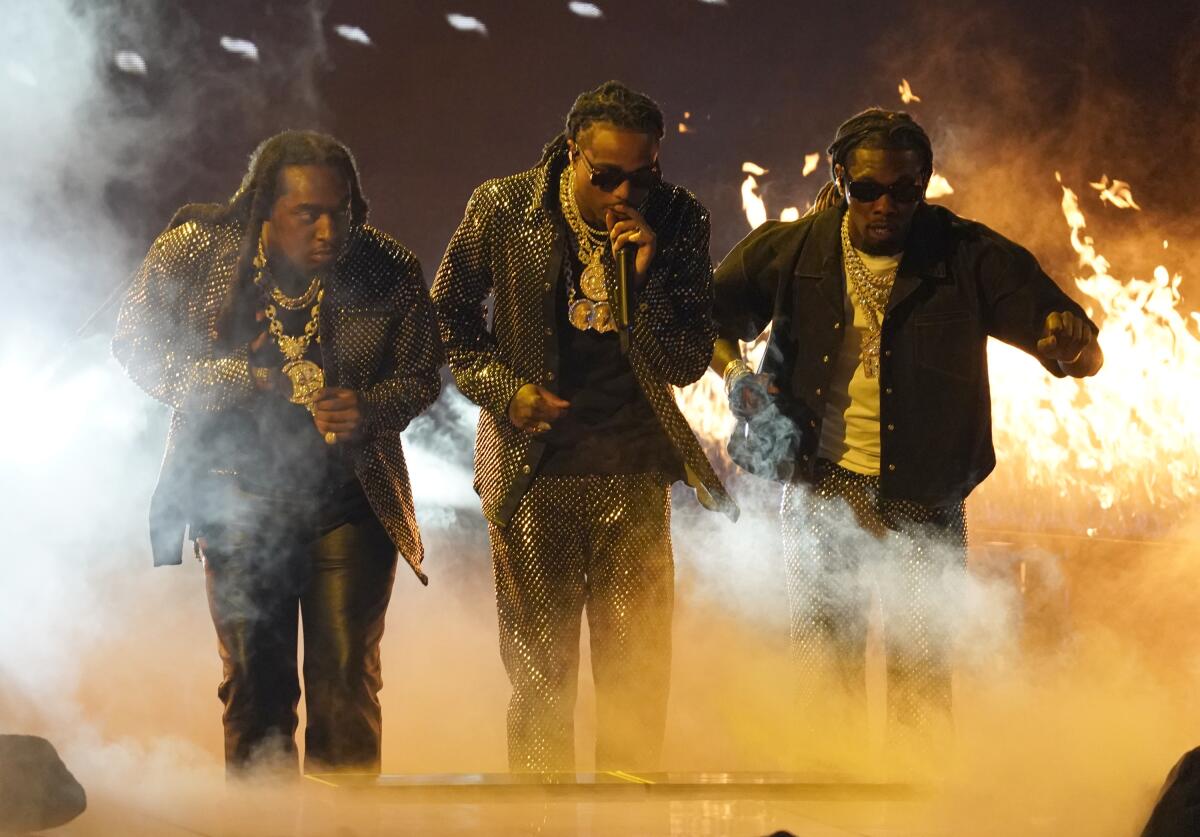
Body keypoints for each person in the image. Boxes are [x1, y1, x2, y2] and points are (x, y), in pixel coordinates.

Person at [711, 108, 1103, 764]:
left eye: (904, 190)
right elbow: (708, 317)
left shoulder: (966, 255)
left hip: (925, 497)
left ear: (925, 184)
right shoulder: (795, 250)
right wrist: (734, 373)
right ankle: (825, 814)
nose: (885, 204)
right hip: (821, 487)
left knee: (920, 676)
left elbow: (1078, 349)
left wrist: (1072, 342)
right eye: (867, 189)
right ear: (840, 180)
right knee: (822, 673)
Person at [113, 130, 442, 775]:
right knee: (255, 691)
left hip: (349, 502)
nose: (328, 230)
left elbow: (422, 373)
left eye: (340, 213)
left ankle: (346, 827)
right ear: (265, 207)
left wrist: (369, 408)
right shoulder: (198, 252)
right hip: (236, 498)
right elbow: (136, 341)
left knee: (347, 686)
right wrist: (236, 379)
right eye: (308, 214)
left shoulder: (386, 267)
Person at [432, 80, 737, 773]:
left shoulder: (680, 218)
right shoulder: (504, 207)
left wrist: (647, 280)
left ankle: (630, 821)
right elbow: (446, 317)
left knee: (636, 681)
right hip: (533, 476)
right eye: (607, 177)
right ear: (573, 154)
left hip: (632, 474)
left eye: (644, 175)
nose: (625, 194)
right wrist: (507, 393)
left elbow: (688, 359)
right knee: (542, 682)